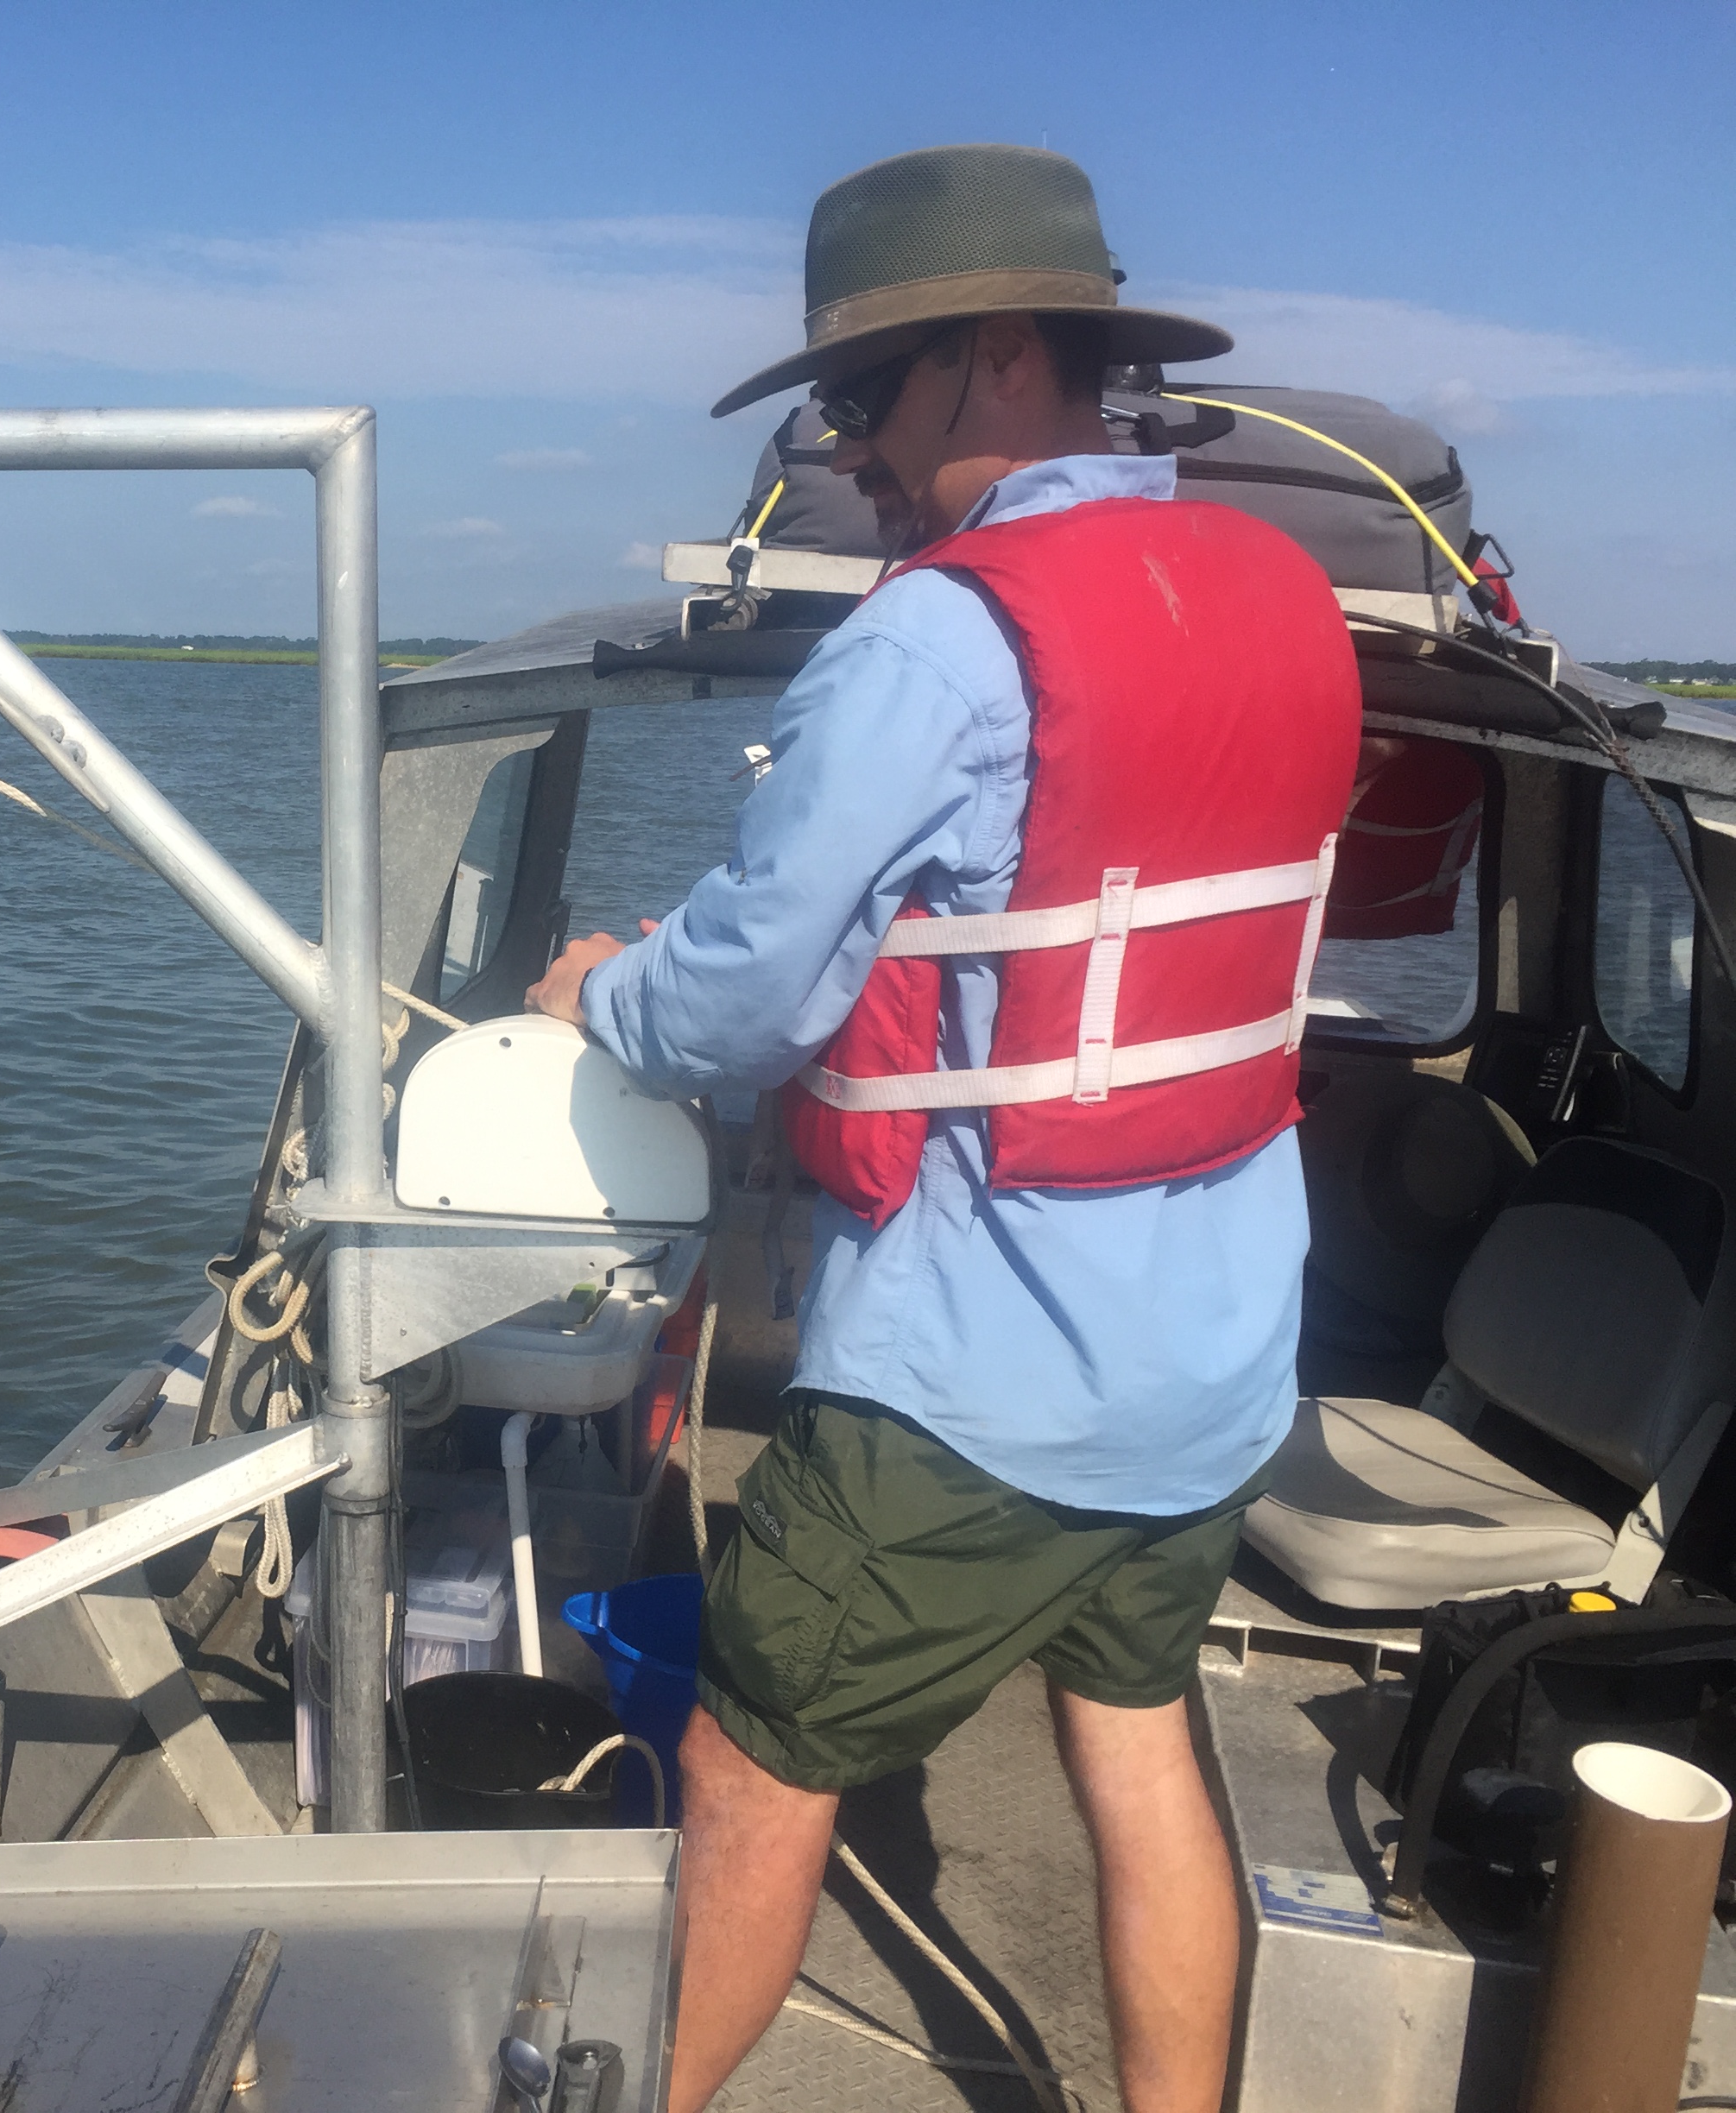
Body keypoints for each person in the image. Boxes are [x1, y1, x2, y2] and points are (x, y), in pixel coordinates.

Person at [523, 144, 1360, 2113]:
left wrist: (597, 996)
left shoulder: (930, 642)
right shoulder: (1283, 597)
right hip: (1218, 1362)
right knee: (1137, 1744)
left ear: (997, 355)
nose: (843, 447)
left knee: (750, 1766)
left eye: (855, 393)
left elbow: (741, 1000)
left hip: (978, 1386)